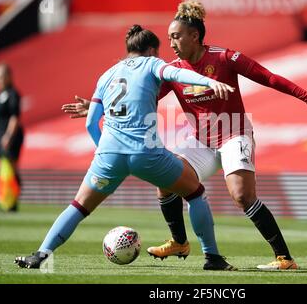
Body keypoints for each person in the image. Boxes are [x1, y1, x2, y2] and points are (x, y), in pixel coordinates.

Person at [62, 1, 307, 271]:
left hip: (234, 134)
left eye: (176, 36)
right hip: (200, 142)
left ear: (194, 36)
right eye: (169, 37)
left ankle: (284, 259)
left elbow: (268, 77)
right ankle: (180, 242)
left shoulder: (224, 58)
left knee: (242, 196)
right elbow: (138, 99)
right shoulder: (173, 71)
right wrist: (95, 107)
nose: (171, 43)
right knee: (165, 179)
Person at [15, 24, 237, 271]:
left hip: (109, 155)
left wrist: (106, 153)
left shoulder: (107, 75)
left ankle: (42, 254)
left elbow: (91, 122)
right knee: (195, 193)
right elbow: (178, 75)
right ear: (152, 49)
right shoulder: (152, 63)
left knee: (78, 206)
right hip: (146, 154)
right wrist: (208, 81)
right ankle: (212, 258)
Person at [0, 63, 25, 212]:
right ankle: (6, 201)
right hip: (0, 134)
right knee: (3, 169)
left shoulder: (13, 94)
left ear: (9, 76)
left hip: (12, 136)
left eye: (2, 76)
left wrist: (9, 135)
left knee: (11, 168)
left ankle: (12, 203)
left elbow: (14, 117)